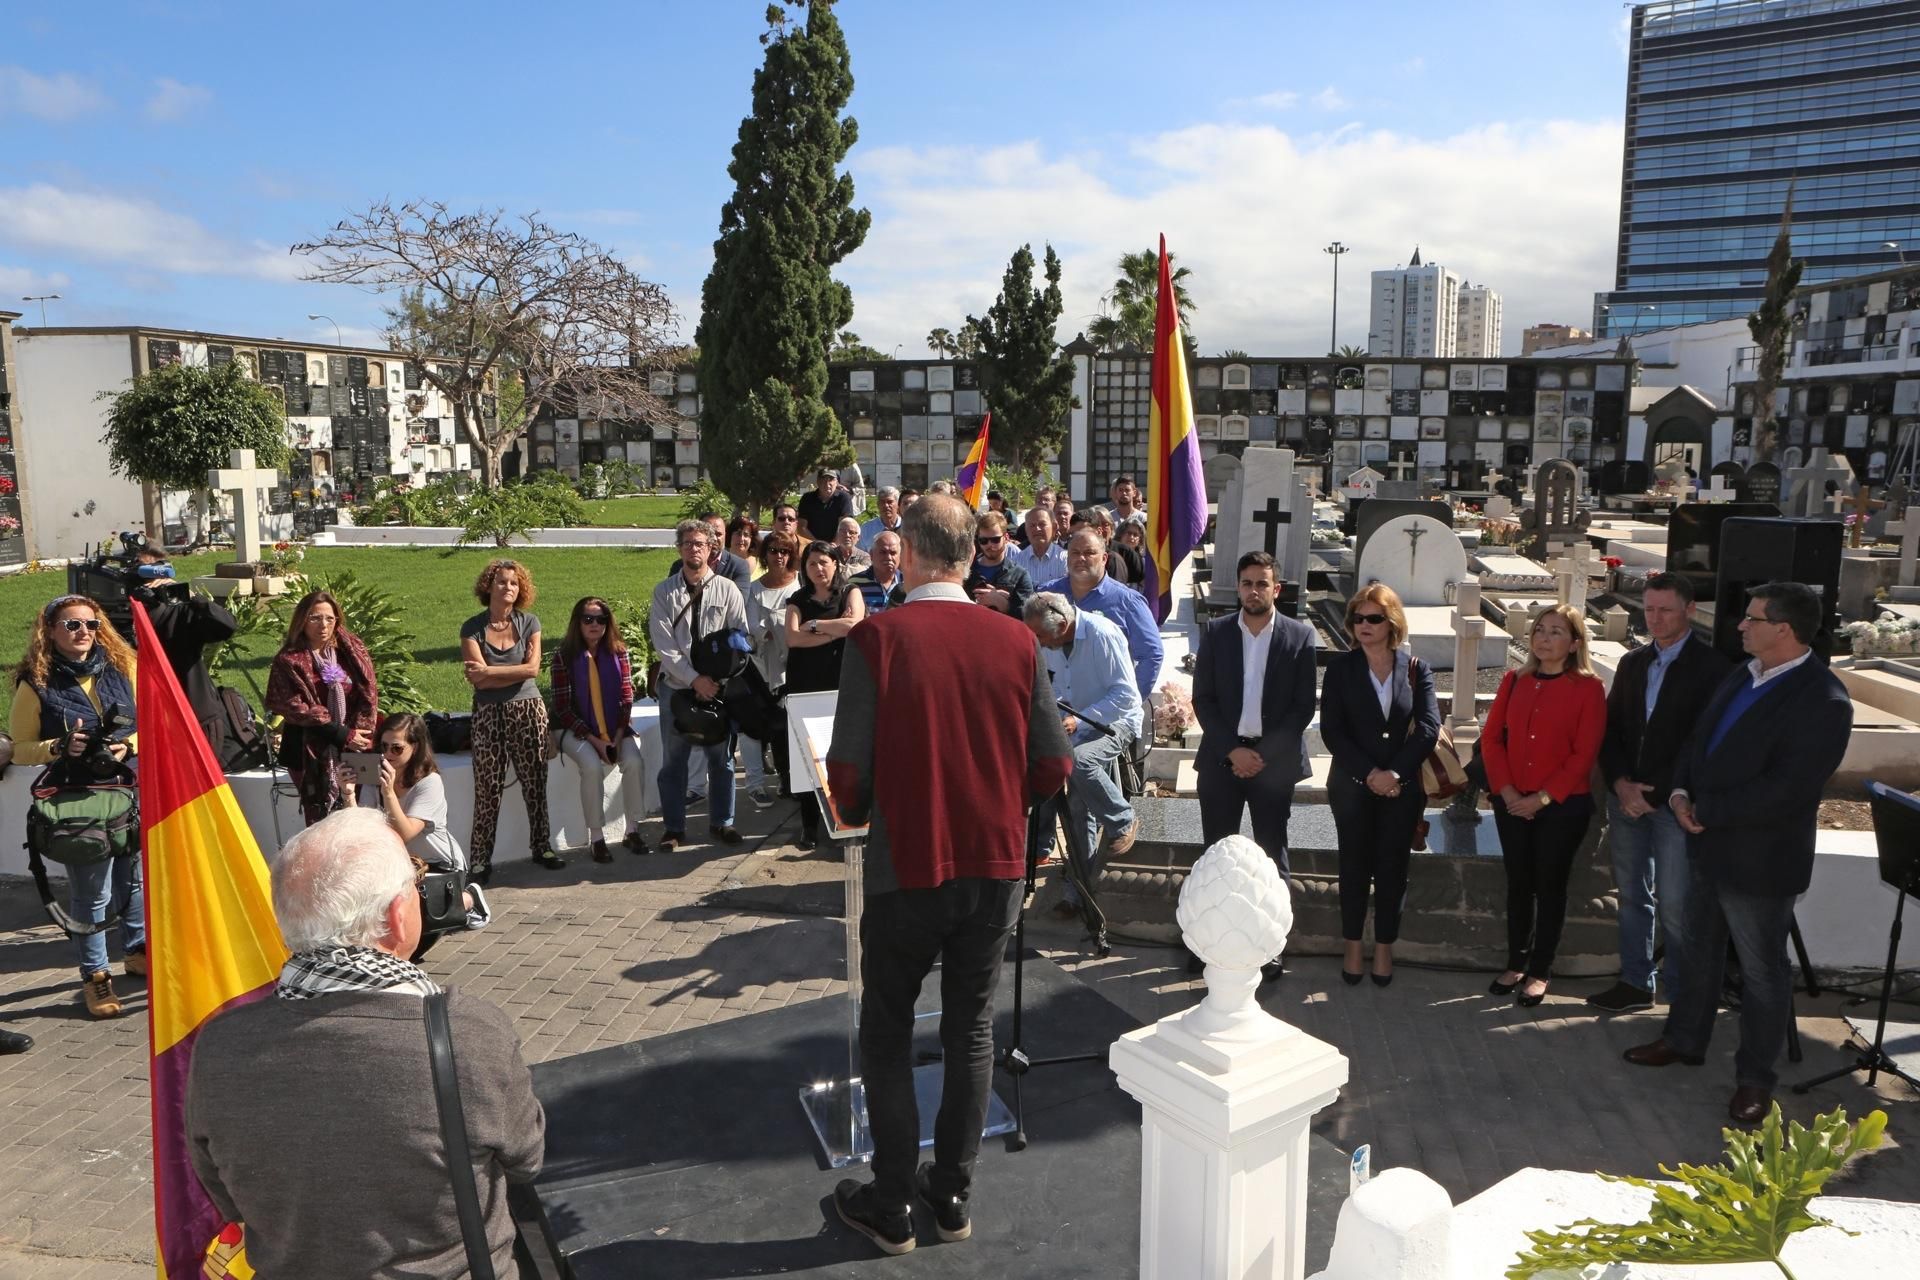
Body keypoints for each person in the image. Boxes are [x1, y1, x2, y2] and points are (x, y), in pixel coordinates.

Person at [824, 495, 1073, 1255]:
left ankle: (893, 1202)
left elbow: (848, 777)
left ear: (916, 554)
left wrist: (862, 805)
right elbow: (1054, 763)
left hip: (911, 864)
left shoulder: (879, 638)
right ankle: (953, 1194)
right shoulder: (1016, 641)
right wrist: (1001, 799)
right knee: (971, 1030)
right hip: (993, 865)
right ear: (968, 555)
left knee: (889, 1030)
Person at [185, 808, 544, 1278]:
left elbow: (225, 1194)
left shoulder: (220, 1046)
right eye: (416, 881)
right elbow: (526, 1160)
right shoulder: (470, 1033)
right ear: (398, 917)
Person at [1626, 582, 1853, 1125]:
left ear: (1784, 630)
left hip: (1759, 860)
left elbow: (1789, 788)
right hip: (1706, 841)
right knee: (1697, 952)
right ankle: (1684, 1040)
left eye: (1752, 619)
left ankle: (1754, 1080)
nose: (1740, 626)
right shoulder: (1741, 673)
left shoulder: (1823, 699)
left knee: (1761, 973)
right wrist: (1680, 791)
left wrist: (1709, 810)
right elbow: (1698, 742)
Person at [1590, 571, 1730, 1014]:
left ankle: (1682, 996)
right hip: (1626, 799)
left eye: (1666, 609)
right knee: (1633, 895)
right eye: (1649, 609)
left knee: (1675, 903)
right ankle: (1635, 981)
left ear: (1690, 610)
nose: (1655, 618)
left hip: (1674, 804)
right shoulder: (1634, 663)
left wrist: (1659, 793)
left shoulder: (1713, 669)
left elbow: (1702, 743)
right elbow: (1610, 732)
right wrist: (1619, 783)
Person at [10, 595, 143, 1018]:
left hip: (127, 788)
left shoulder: (124, 666)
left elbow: (152, 721)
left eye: (91, 624)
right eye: (71, 625)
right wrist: (58, 746)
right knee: (92, 894)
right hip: (78, 800)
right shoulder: (36, 682)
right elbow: (19, 749)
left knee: (133, 879)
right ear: (49, 631)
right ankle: (96, 976)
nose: (83, 632)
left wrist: (130, 745)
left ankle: (137, 952)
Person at [1190, 551, 1317, 980]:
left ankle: (1271, 944)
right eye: (1247, 583)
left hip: (1273, 765)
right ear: (1238, 588)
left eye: (1262, 583)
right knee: (1217, 854)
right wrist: (1233, 751)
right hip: (1223, 758)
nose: (1254, 591)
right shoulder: (1217, 633)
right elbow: (1203, 699)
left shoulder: (1299, 637)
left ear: (1276, 589)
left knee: (1271, 853)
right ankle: (1207, 941)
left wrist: (1261, 755)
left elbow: (1302, 707)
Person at [1482, 604, 1608, 1007]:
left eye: (1556, 632)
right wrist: (1507, 792)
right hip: (1511, 802)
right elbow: (1491, 741)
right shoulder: (1514, 680)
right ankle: (1516, 961)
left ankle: (1540, 969)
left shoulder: (1588, 689)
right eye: (1540, 629)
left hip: (1561, 807)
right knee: (1518, 884)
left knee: (1549, 887)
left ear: (1574, 644)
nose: (1544, 637)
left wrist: (1542, 797)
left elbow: (1583, 753)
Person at [1318, 584, 1437, 987]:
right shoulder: (1340, 669)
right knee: (1353, 866)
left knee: (1392, 869)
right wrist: (1370, 774)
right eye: (1358, 618)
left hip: (1401, 790)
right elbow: (1333, 732)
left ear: (1392, 623)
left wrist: (1395, 775)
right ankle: (1353, 944)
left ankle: (1384, 946)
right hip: (1352, 786)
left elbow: (1428, 728)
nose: (1364, 626)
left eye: (1374, 618)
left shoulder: (1416, 669)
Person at [1025, 592, 1142, 918]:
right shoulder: (1055, 642)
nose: (1038, 642)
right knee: (1078, 808)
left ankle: (1124, 819)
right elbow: (1059, 689)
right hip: (1077, 726)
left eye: (1041, 635)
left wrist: (1080, 717)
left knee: (1081, 764)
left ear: (1062, 624)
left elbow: (1125, 696)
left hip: (1114, 723)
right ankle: (1078, 892)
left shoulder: (1103, 635)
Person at [650, 518, 749, 851]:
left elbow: (740, 638)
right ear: (679, 549)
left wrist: (716, 680)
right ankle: (674, 829)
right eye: (688, 543)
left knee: (720, 761)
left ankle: (723, 823)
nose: (694, 549)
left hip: (717, 691)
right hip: (676, 688)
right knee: (673, 763)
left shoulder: (728, 589)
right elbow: (664, 646)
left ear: (712, 549)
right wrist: (695, 680)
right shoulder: (664, 592)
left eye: (700, 544)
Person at [460, 559, 562, 878]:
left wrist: (490, 671)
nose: (509, 588)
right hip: (488, 714)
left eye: (514, 583)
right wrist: (501, 675)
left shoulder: (530, 622)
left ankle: (542, 846)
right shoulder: (472, 627)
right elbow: (478, 682)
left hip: (528, 710)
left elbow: (532, 670)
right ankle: (479, 859)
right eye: (502, 582)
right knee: (487, 786)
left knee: (534, 782)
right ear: (489, 586)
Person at [340, 712, 489, 928]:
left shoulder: (430, 783)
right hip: (402, 866)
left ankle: (469, 899)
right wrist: (348, 795)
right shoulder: (376, 780)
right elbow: (362, 830)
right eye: (383, 747)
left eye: (396, 748)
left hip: (439, 865)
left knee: (422, 922)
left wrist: (389, 793)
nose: (388, 755)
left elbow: (405, 833)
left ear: (415, 747)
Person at [266, 590, 378, 827]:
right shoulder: (289, 660)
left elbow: (367, 693)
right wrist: (342, 735)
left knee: (355, 815)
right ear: (302, 620)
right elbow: (296, 708)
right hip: (308, 752)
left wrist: (357, 735)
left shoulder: (351, 651)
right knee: (321, 823)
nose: (323, 625)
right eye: (315, 618)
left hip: (353, 747)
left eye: (330, 618)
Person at [551, 597, 650, 862]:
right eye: (588, 619)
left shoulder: (619, 652)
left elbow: (627, 698)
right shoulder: (564, 656)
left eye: (601, 619)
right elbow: (562, 708)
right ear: (578, 622)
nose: (595, 624)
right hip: (573, 730)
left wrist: (616, 738)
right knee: (592, 766)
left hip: (616, 728)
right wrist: (596, 741)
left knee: (633, 761)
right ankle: (596, 837)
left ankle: (632, 830)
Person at [784, 538, 867, 849]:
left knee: (846, 755)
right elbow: (792, 638)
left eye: (824, 562)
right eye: (812, 563)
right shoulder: (796, 599)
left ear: (836, 564)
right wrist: (835, 629)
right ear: (804, 569)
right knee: (807, 760)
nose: (818, 568)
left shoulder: (850, 592)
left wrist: (817, 625)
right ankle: (809, 826)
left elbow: (855, 625)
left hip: (844, 685)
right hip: (805, 688)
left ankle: (851, 818)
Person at [128, 547, 242, 764]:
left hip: (191, 717)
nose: (149, 583)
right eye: (142, 574)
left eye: (157, 574)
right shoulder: (114, 614)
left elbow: (226, 627)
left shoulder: (180, 611)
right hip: (139, 720)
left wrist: (190, 597)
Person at [1041, 530, 1163, 705]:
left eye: (1089, 553)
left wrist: (1127, 702)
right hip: (1056, 708)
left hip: (1103, 714)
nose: (1081, 558)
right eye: (1075, 552)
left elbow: (1151, 654)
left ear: (1104, 558)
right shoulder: (1045, 595)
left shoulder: (1128, 602)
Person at [745, 530, 803, 810]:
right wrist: (770, 627)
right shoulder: (755, 590)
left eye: (784, 551)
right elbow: (753, 627)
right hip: (767, 666)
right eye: (773, 551)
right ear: (765, 555)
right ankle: (785, 779)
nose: (779, 556)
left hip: (799, 663)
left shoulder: (799, 585)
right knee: (778, 726)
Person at [962, 511, 1033, 618]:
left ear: (1006, 538)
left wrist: (1006, 606)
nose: (990, 545)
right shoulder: (965, 572)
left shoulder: (1019, 575)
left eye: (995, 540)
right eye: (984, 540)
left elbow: (1028, 616)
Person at [1009, 506, 1066, 583]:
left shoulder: (1066, 560)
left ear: (1054, 527)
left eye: (1042, 524)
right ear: (1026, 530)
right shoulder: (1016, 562)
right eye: (1032, 525)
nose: (1037, 529)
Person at [854, 529, 906, 613]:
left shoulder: (907, 583)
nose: (888, 557)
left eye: (893, 553)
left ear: (900, 556)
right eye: (883, 552)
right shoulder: (856, 583)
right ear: (871, 554)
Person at [798, 467, 857, 542]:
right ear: (818, 482)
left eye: (831, 480)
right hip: (811, 544)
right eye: (824, 480)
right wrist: (818, 545)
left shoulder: (843, 498)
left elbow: (845, 525)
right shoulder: (807, 498)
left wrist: (833, 545)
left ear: (837, 482)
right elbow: (801, 527)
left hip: (836, 545)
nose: (827, 484)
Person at [858, 486, 903, 551]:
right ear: (878, 504)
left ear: (898, 504)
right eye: (882, 502)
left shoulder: (908, 527)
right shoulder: (866, 529)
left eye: (890, 502)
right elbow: (860, 556)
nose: (886, 505)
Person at [726, 515, 762, 579]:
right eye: (738, 533)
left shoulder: (762, 565)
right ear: (730, 535)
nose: (741, 539)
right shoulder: (720, 563)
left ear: (751, 539)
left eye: (746, 535)